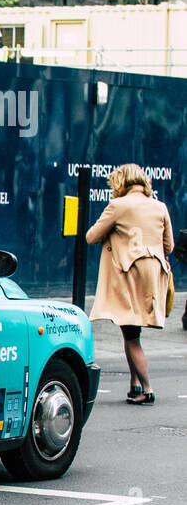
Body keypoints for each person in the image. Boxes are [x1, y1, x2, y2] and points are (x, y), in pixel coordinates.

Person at [85, 164, 175, 405]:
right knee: (131, 331)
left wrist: (116, 233)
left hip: (129, 276)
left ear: (121, 182)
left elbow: (91, 236)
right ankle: (134, 385)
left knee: (131, 334)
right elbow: (169, 247)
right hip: (154, 277)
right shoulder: (160, 206)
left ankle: (147, 388)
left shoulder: (118, 206)